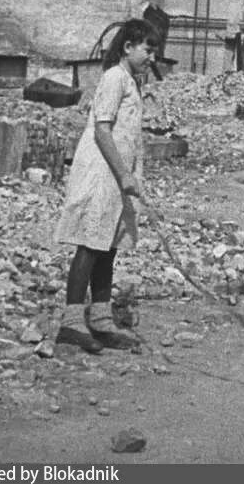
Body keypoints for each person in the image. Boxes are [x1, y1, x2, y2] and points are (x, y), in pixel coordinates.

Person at [53, 19, 159, 353]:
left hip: (117, 177)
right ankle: (71, 323)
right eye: (148, 49)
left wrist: (130, 175)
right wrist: (123, 174)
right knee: (90, 243)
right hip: (101, 173)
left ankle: (100, 320)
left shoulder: (131, 81)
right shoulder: (114, 77)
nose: (151, 57)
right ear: (128, 47)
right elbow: (102, 130)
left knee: (108, 245)